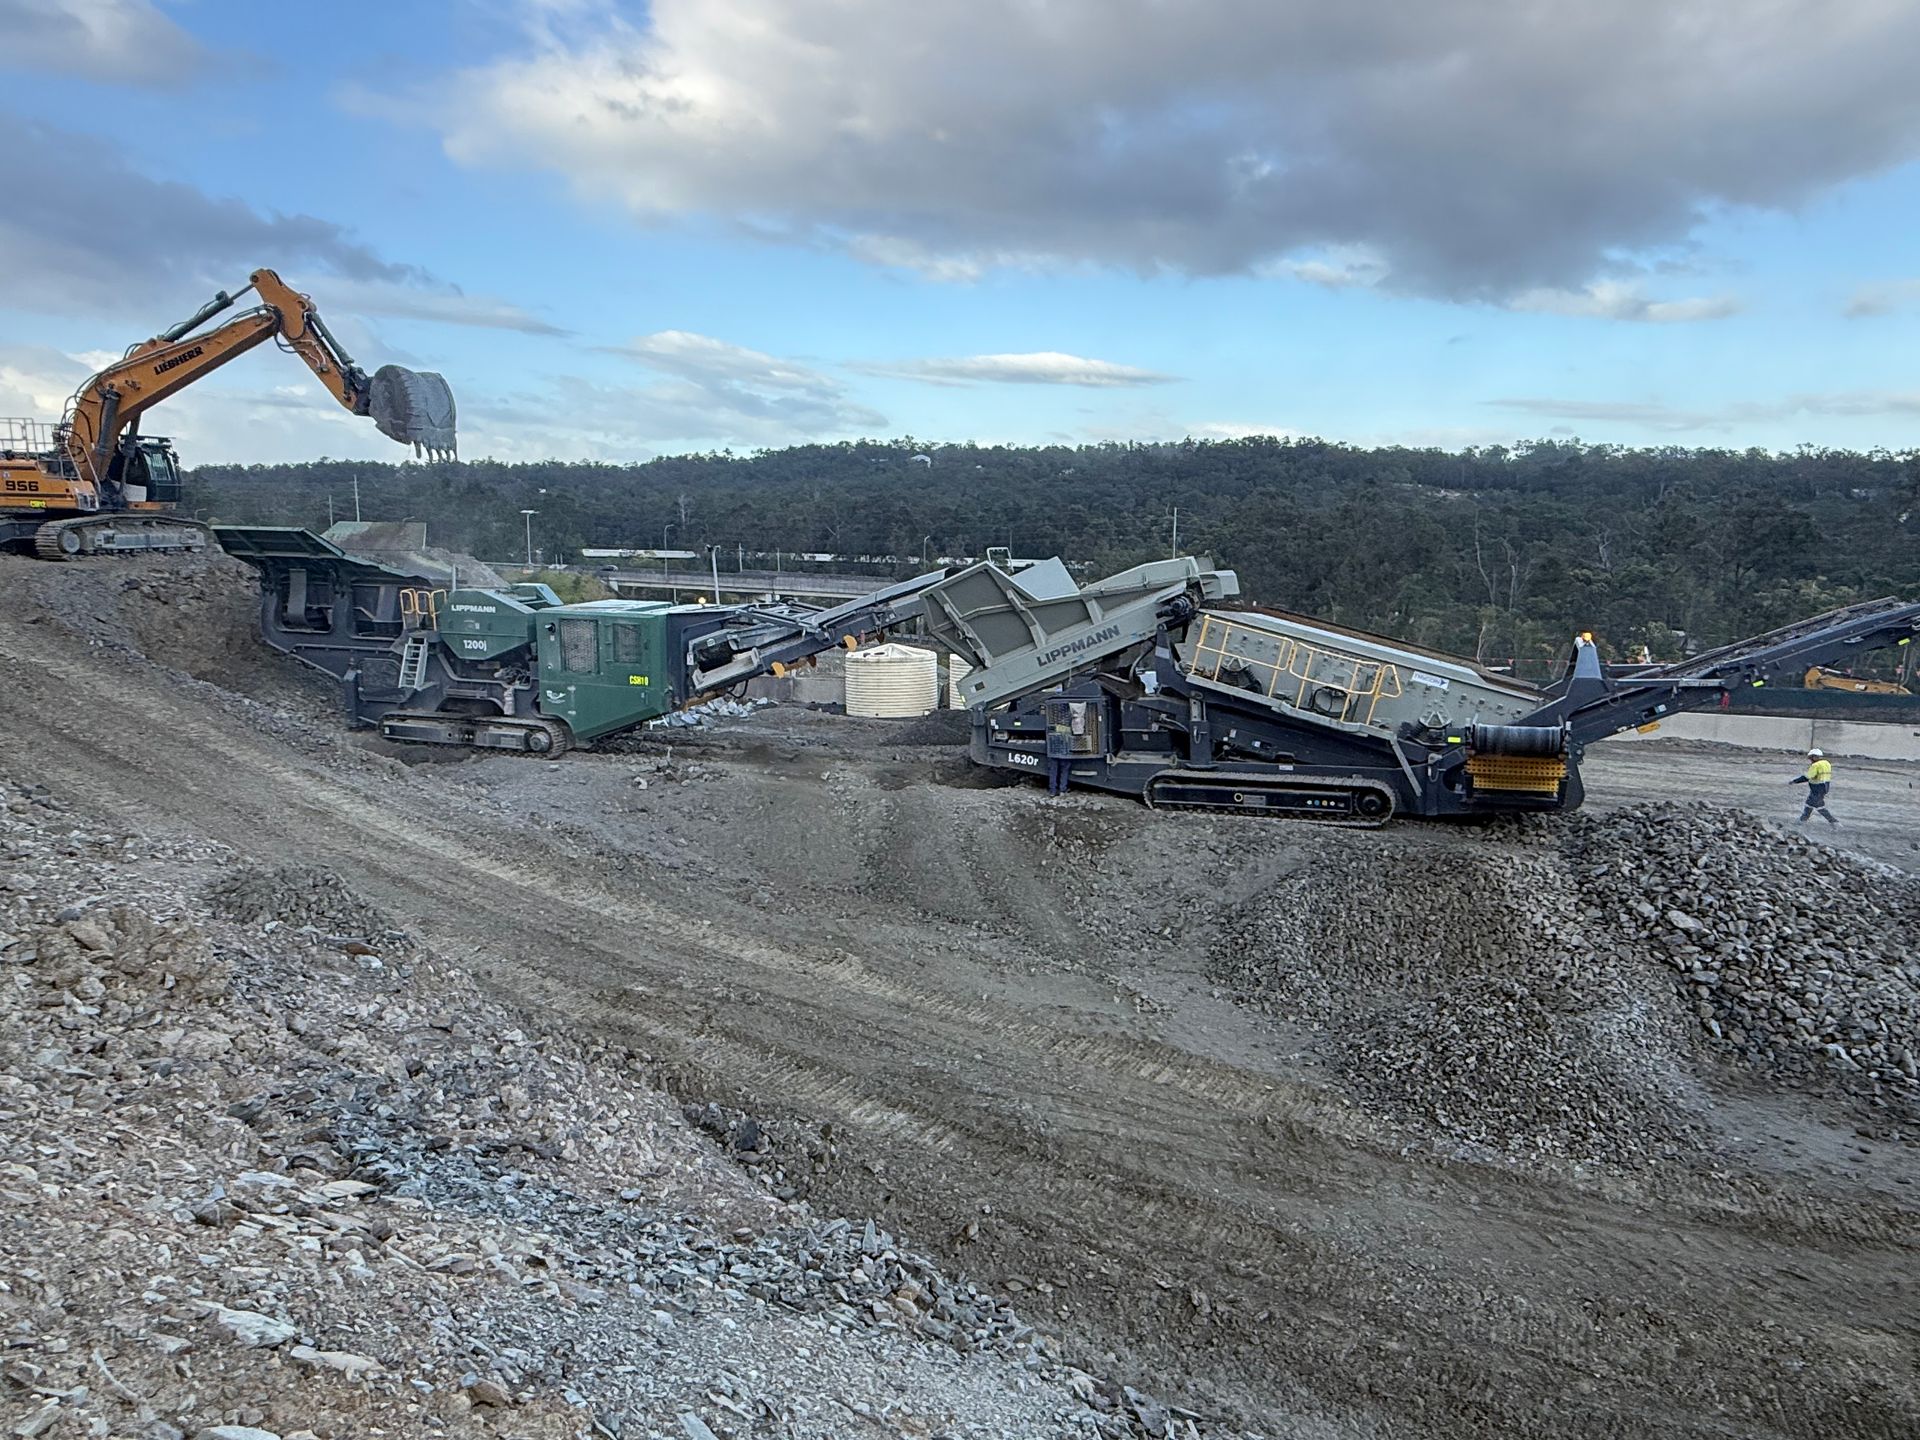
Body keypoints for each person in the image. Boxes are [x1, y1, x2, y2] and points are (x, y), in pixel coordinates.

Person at [1787, 747, 1839, 826]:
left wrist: (1794, 781)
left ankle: (1834, 822)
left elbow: (1807, 777)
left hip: (1817, 788)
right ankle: (1802, 821)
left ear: (1814, 757)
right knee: (1809, 804)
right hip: (1825, 787)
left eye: (1811, 758)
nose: (1810, 760)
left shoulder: (1815, 765)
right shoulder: (1826, 763)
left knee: (1819, 806)